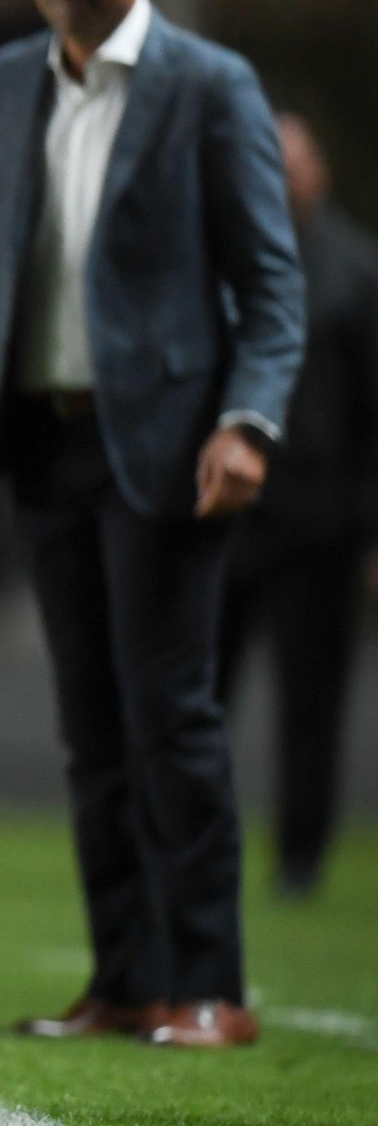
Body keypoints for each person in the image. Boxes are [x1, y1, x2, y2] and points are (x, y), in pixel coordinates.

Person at [0, 0, 303, 1048]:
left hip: (168, 451)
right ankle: (125, 981)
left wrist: (246, 421)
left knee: (170, 722)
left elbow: (269, 285)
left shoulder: (208, 85)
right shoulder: (6, 81)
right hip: (42, 444)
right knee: (90, 732)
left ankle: (211, 987)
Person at [217, 113, 378, 899]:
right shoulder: (221, 259)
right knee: (195, 693)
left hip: (320, 518)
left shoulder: (355, 272)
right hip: (225, 514)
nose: (281, 179)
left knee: (310, 699)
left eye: (292, 164)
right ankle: (188, 851)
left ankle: (300, 860)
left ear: (320, 172)